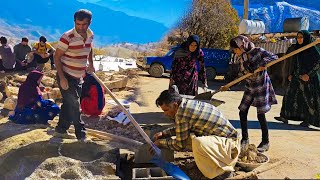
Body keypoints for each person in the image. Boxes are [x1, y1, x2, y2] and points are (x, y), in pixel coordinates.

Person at [152, 89, 240, 179]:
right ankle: (214, 163)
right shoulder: (185, 105)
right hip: (225, 142)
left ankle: (222, 172)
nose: (165, 114)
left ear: (174, 105)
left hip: (230, 147)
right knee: (189, 138)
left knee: (198, 143)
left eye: (166, 110)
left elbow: (179, 145)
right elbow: (181, 128)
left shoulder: (182, 114)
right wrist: (164, 133)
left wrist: (160, 143)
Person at [228, 35, 278, 152]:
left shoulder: (258, 51)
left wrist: (262, 64)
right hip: (250, 86)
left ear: (242, 45)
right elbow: (242, 74)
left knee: (261, 114)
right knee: (242, 111)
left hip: (261, 86)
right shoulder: (241, 57)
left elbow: (274, 57)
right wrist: (229, 85)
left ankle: (265, 142)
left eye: (236, 49)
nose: (235, 51)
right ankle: (245, 139)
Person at [53, 9, 95, 141]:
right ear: (74, 22)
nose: (81, 27)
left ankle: (60, 130)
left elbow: (89, 48)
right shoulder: (67, 37)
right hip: (66, 75)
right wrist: (62, 78)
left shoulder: (90, 34)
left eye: (84, 24)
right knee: (75, 105)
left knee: (68, 104)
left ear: (89, 23)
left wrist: (91, 64)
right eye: (78, 24)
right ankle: (81, 134)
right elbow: (56, 57)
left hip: (79, 77)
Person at [275, 30, 320, 127]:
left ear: (306, 38)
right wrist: (291, 74)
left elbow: (318, 63)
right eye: (298, 37)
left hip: (309, 79)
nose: (299, 39)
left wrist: (308, 75)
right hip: (297, 76)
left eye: (301, 37)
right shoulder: (298, 48)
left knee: (308, 99)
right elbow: (296, 63)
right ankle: (284, 116)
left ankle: (308, 120)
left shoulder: (312, 49)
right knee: (289, 95)